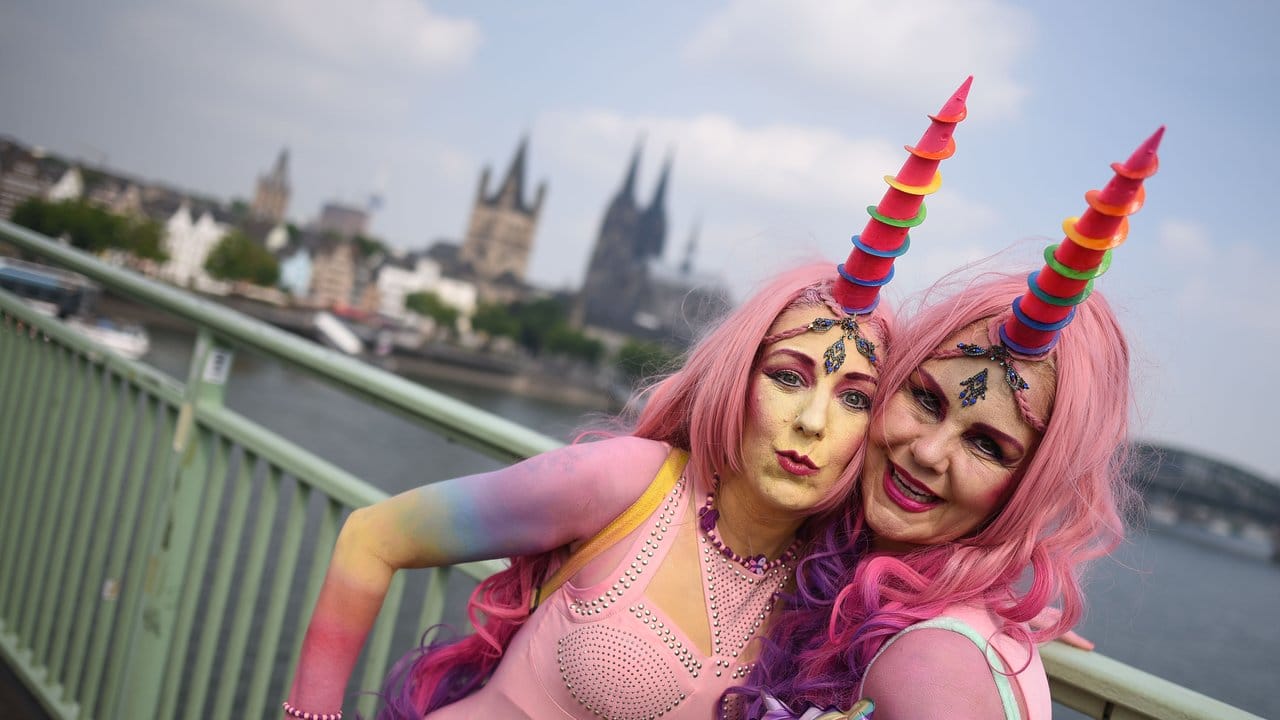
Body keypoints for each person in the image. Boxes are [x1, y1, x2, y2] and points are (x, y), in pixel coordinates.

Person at [281, 78, 976, 720]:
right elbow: (372, 536)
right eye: (788, 377)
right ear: (738, 381)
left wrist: (1024, 616)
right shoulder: (627, 483)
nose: (814, 421)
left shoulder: (827, 583)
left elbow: (966, 593)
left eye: (855, 398)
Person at [738, 127, 1164, 720]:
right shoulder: (847, 569)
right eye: (927, 402)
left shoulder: (932, 662)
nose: (929, 453)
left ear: (1031, 484)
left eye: (987, 445)